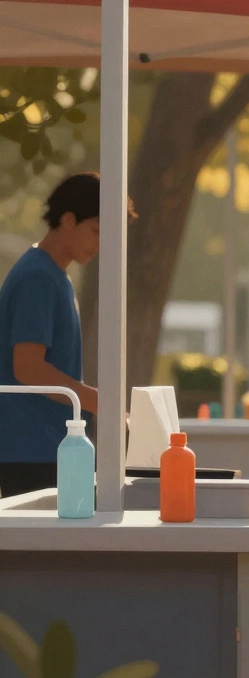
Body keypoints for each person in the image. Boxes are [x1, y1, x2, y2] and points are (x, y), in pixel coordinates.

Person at [0, 173, 134, 497]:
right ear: (68, 219)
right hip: (31, 449)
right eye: (97, 231)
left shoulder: (55, 276)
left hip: (50, 447)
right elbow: (28, 367)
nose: (100, 244)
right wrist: (99, 402)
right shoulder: (38, 277)